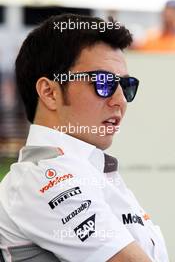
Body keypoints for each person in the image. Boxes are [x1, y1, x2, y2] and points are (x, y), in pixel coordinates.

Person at [0, 14, 169, 262]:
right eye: (103, 83)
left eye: (126, 85)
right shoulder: (45, 177)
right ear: (49, 92)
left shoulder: (92, 170)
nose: (120, 101)